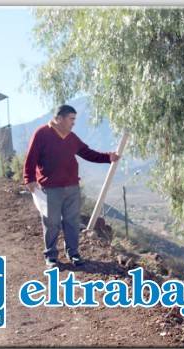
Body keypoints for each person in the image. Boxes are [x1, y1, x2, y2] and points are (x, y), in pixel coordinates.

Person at [23, 104, 121, 269]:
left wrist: (107, 157)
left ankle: (73, 253)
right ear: (59, 118)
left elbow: (87, 153)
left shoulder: (71, 137)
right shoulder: (41, 134)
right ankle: (51, 256)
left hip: (72, 187)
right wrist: (29, 179)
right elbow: (31, 158)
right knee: (51, 223)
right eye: (71, 119)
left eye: (74, 119)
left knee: (72, 222)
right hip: (51, 188)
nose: (73, 123)